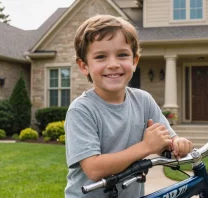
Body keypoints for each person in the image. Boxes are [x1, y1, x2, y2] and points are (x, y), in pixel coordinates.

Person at [65, 14, 193, 198]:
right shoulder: (82, 110)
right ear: (84, 66)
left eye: (122, 55)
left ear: (134, 61)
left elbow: (166, 139)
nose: (113, 64)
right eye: (101, 57)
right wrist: (146, 147)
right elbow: (93, 168)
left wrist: (177, 143)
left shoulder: (143, 101)